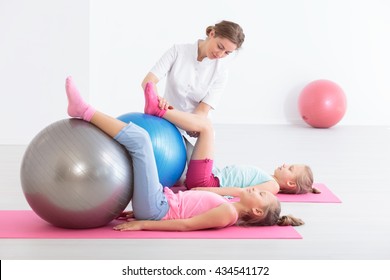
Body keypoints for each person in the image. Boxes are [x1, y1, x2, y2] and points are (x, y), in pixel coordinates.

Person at [65, 76, 303, 231]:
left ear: (257, 211)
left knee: (141, 140)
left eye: (260, 194)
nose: (255, 189)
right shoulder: (229, 205)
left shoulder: (228, 213)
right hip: (158, 203)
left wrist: (143, 224)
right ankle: (88, 112)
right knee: (140, 141)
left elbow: (186, 225)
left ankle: (84, 110)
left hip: (157, 209)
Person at [143, 82, 320, 196]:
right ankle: (164, 113)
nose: (284, 164)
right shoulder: (269, 177)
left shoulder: (272, 187)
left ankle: (159, 110)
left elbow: (240, 192)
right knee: (182, 137)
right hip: (209, 176)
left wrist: (206, 191)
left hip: (206, 182)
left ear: (289, 183)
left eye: (290, 168)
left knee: (206, 128)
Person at [141, 20, 245, 173]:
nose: (220, 54)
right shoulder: (178, 51)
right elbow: (149, 81)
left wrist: (190, 125)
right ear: (212, 34)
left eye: (227, 53)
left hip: (193, 131)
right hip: (163, 125)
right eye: (220, 47)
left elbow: (201, 113)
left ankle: (158, 110)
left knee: (190, 179)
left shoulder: (221, 72)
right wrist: (157, 98)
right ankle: (158, 110)